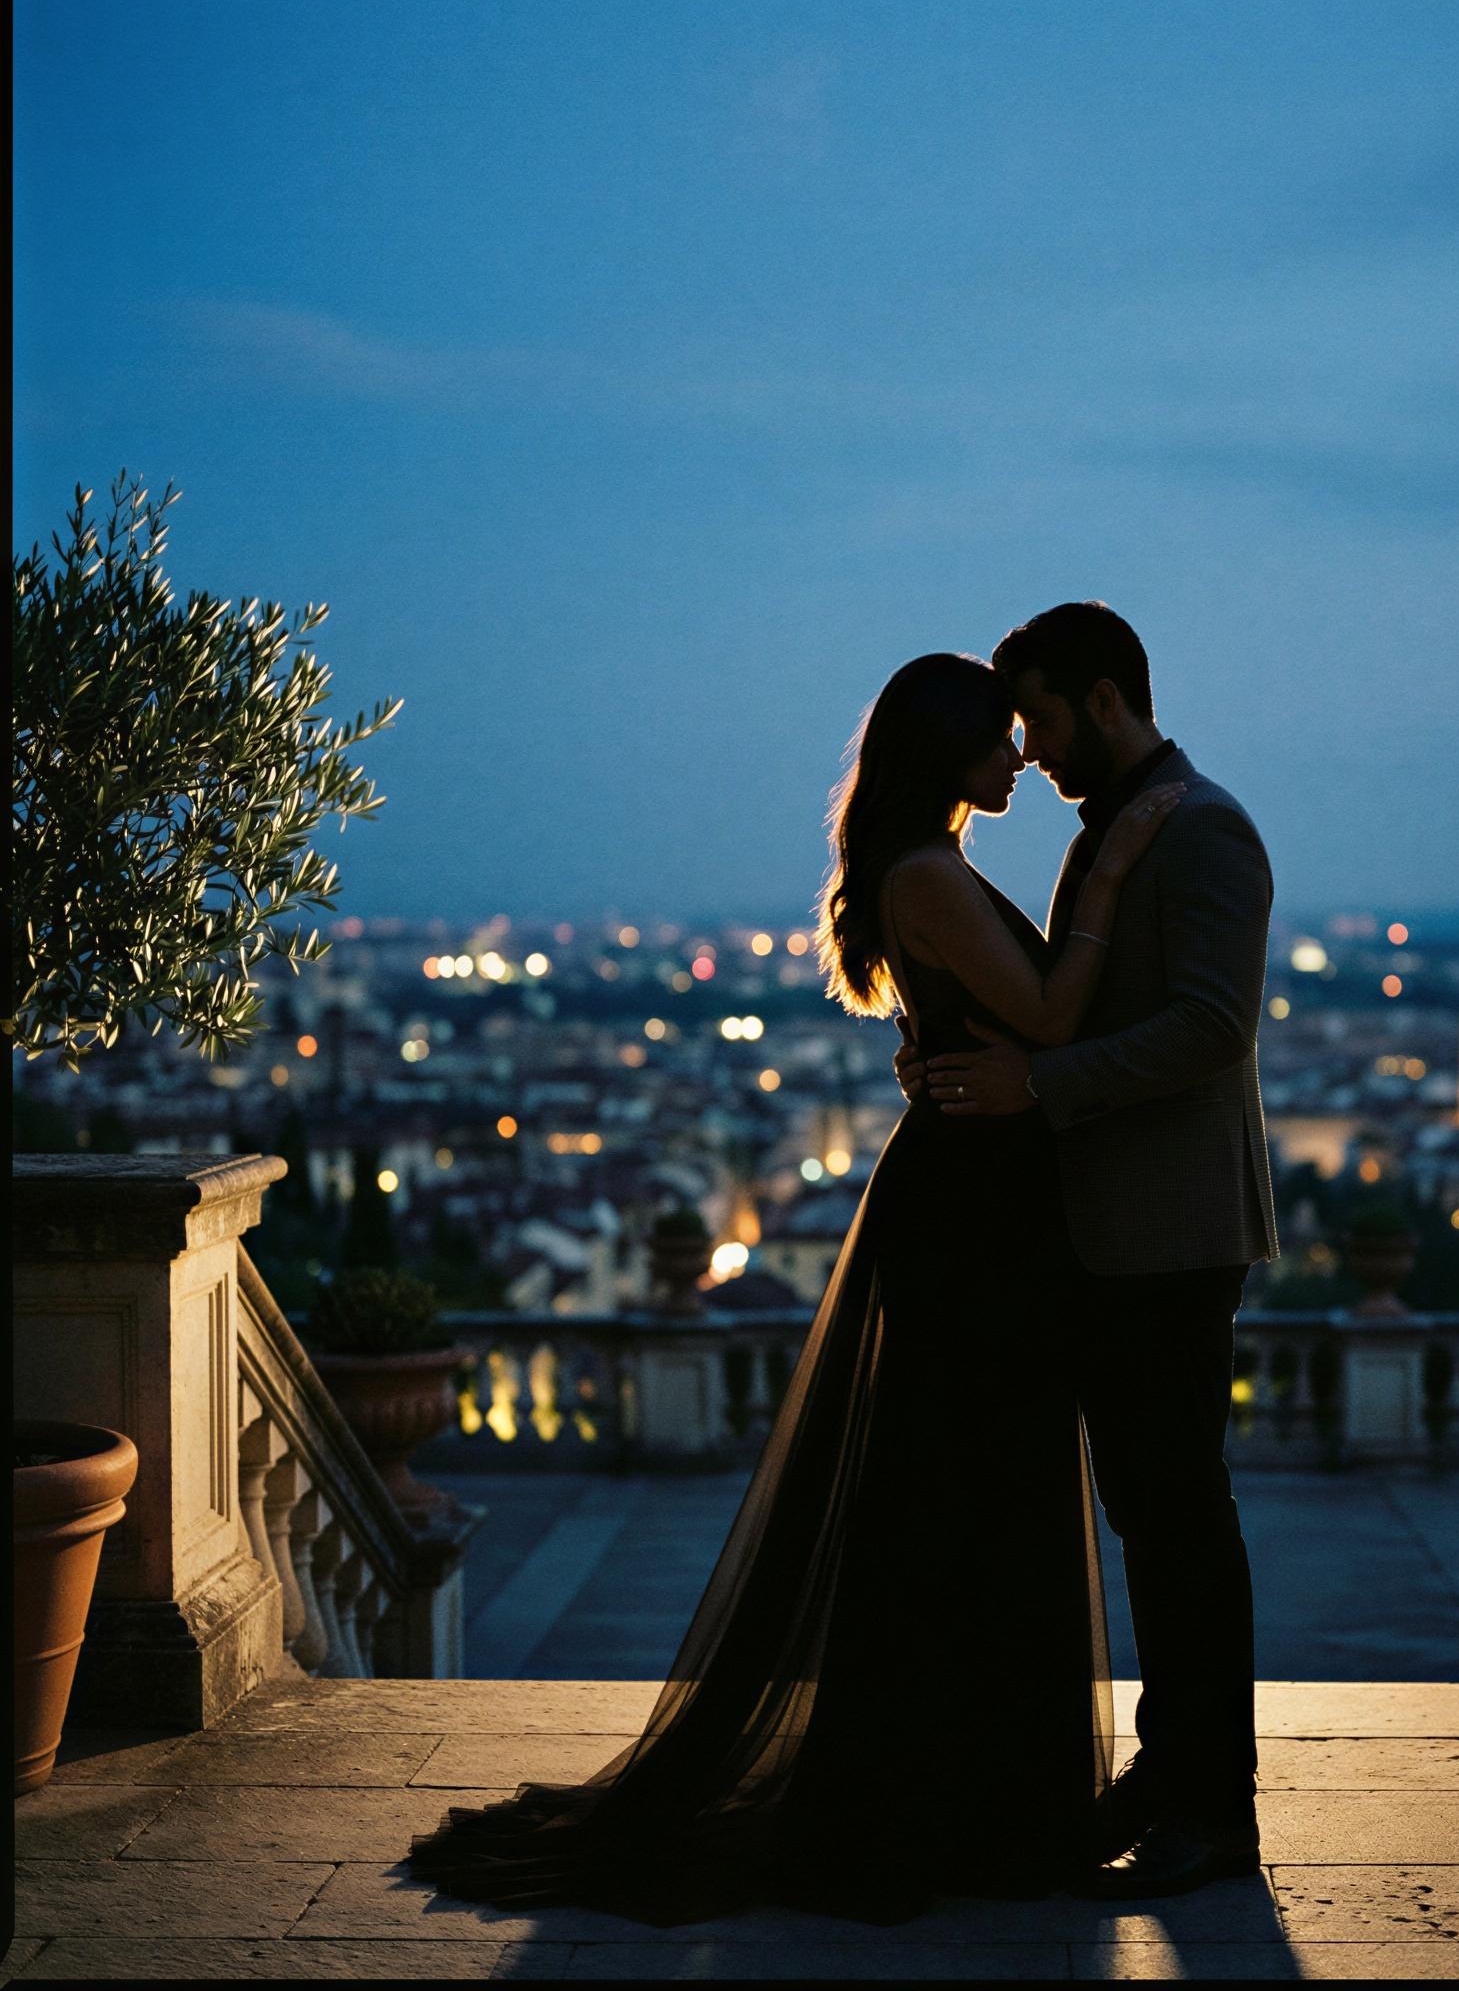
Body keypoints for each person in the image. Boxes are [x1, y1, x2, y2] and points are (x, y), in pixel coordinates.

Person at [404, 649, 1181, 1926]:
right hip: (975, 1209)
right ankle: (963, 1802)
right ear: (944, 754)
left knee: (963, 1485)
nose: (1019, 757)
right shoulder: (930, 873)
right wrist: (1109, 868)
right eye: (996, 739)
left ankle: (954, 1792)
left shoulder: (922, 867)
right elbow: (1046, 1010)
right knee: (972, 1485)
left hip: (977, 1194)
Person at [905, 599, 1280, 1900]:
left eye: (1044, 718)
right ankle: (1172, 1778)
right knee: (1155, 1519)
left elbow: (1211, 1030)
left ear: (1108, 699)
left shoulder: (1204, 825)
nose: (1033, 747)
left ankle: (1212, 1811)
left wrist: (1036, 1093)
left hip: (1171, 1235)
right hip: (1115, 1234)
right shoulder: (1117, 831)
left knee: (1179, 1522)